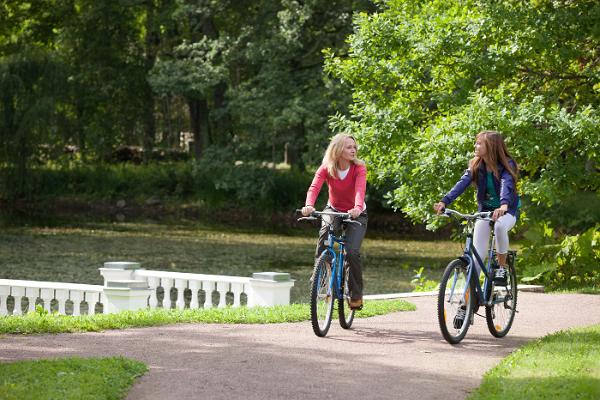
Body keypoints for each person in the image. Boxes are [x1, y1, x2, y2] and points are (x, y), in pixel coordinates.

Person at [433, 130, 520, 285]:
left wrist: (503, 204)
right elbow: (462, 183)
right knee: (477, 256)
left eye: (480, 143)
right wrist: (445, 201)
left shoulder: (507, 164)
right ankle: (468, 302)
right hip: (485, 212)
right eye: (476, 142)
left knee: (500, 227)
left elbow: (507, 184)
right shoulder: (476, 164)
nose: (476, 145)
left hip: (507, 211)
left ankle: (501, 267)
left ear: (491, 146)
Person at [302, 133, 368, 309]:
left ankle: (355, 294)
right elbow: (314, 187)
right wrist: (309, 205)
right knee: (324, 235)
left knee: (351, 252)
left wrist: (357, 207)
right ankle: (321, 273)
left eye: (354, 147)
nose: (353, 150)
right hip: (334, 209)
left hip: (357, 213)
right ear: (338, 150)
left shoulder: (359, 168)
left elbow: (360, 190)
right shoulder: (326, 168)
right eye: (349, 147)